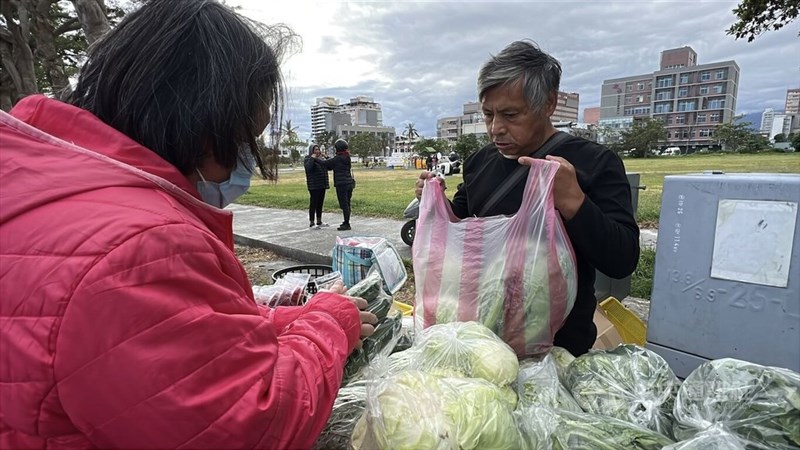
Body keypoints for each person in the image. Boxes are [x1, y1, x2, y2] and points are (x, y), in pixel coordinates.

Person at [0, 1, 377, 448]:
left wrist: (275, 321)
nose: (242, 163)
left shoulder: (40, 182)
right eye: (243, 140)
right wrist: (330, 323)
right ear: (199, 122)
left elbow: (179, 337)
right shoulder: (140, 246)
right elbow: (253, 423)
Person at [415, 40, 639, 357]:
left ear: (548, 104)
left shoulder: (594, 163)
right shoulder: (479, 163)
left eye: (510, 114)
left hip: (559, 350)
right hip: (482, 345)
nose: (496, 129)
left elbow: (622, 260)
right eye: (488, 114)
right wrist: (434, 205)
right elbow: (461, 231)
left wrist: (574, 202)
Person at [320, 139, 355, 231]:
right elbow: (331, 165)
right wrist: (327, 157)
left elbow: (325, 164)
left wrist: (314, 158)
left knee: (344, 205)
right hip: (349, 183)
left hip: (341, 184)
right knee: (347, 203)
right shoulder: (346, 157)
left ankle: (347, 224)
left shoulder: (338, 158)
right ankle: (346, 221)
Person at [304, 144, 330, 229]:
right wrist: (312, 158)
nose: (317, 151)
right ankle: (312, 222)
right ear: (312, 151)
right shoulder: (308, 159)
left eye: (318, 150)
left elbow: (330, 166)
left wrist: (326, 157)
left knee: (320, 203)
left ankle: (319, 221)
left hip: (322, 185)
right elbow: (308, 168)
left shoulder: (321, 160)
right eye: (315, 150)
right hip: (314, 185)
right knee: (313, 203)